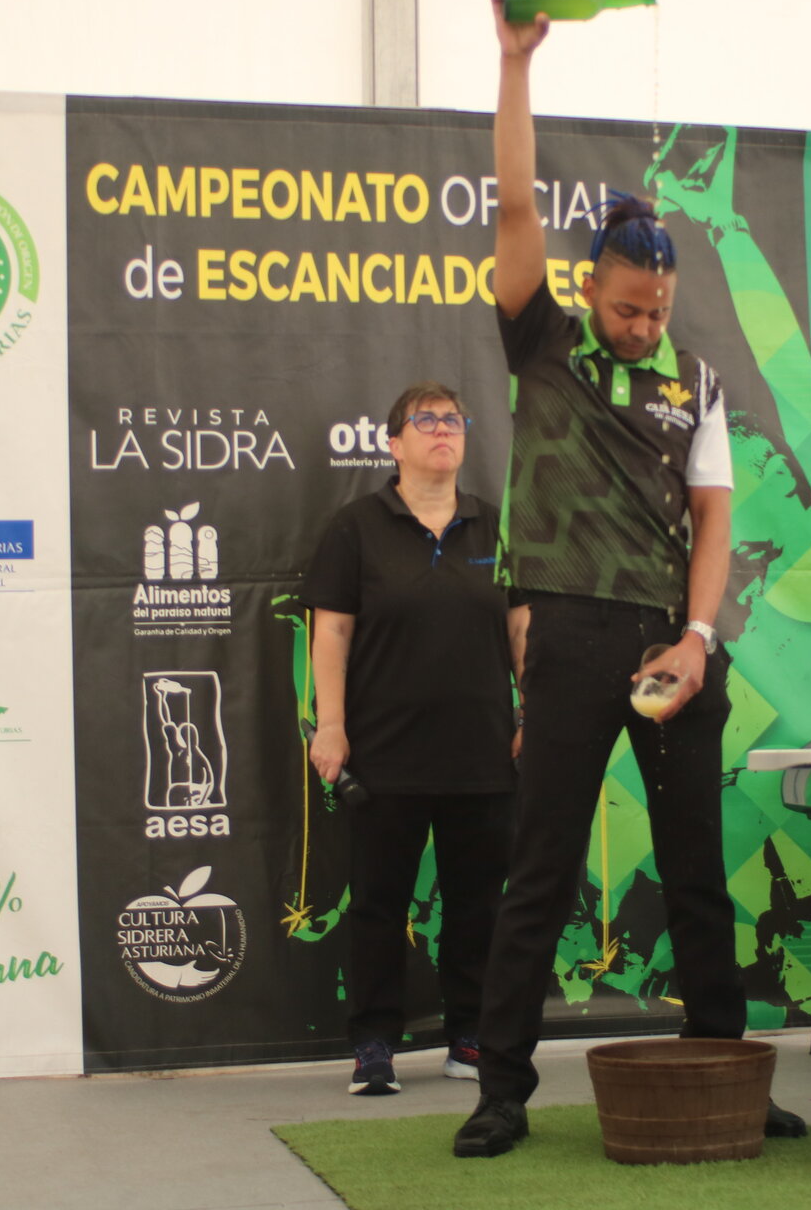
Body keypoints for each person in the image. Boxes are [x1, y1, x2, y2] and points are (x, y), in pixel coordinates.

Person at [452, 0, 808, 1158]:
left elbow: (714, 521)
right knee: (541, 863)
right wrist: (516, 67)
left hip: (667, 641)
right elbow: (511, 198)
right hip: (565, 631)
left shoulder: (695, 381)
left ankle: (727, 1071)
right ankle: (500, 1087)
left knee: (699, 861)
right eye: (626, 306)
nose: (644, 323)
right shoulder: (541, 339)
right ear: (587, 288)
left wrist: (699, 640)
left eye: (656, 309)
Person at [303, 381, 520, 1097]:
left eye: (452, 420)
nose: (441, 431)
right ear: (393, 445)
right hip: (383, 755)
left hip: (483, 752)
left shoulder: (498, 528)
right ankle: (373, 1047)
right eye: (424, 421)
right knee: (377, 905)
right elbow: (330, 631)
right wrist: (330, 725)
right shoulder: (354, 527)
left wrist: (536, 716)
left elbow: (522, 630)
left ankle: (469, 1038)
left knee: (477, 906)